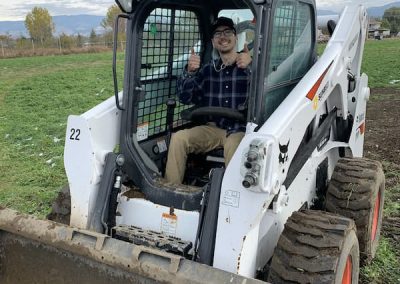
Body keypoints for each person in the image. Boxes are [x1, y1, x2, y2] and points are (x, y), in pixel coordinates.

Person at [165, 17, 252, 185]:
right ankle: (171, 190)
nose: (223, 36)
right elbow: (185, 98)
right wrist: (190, 72)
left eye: (227, 32)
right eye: (218, 33)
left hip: (240, 130)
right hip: (213, 129)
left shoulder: (248, 67)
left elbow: (266, 93)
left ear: (235, 37)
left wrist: (251, 65)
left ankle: (231, 200)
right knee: (179, 138)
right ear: (213, 41)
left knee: (232, 145)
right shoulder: (207, 70)